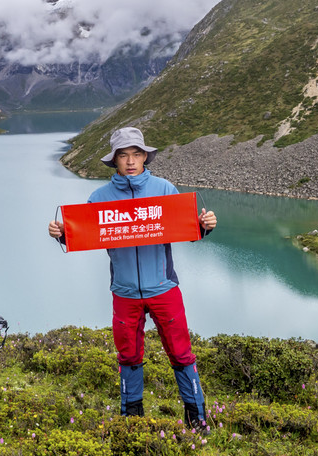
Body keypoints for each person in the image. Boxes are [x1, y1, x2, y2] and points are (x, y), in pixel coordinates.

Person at [48, 126, 217, 430]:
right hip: (124, 292)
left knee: (181, 353)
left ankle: (197, 419)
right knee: (128, 356)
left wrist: (205, 225)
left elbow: (188, 229)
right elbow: (83, 235)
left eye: (135, 154)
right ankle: (132, 421)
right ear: (114, 160)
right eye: (123, 155)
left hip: (164, 287)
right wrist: (62, 235)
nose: (129, 160)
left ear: (144, 157)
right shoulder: (99, 198)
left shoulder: (165, 189)